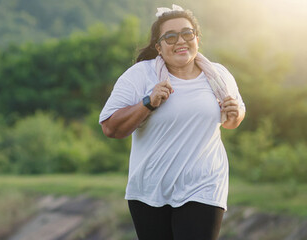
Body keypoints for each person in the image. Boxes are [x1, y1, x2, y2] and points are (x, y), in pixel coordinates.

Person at [98, 4, 245, 240]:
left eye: (187, 33)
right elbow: (110, 127)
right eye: (170, 36)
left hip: (204, 186)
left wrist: (235, 114)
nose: (181, 41)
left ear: (197, 39)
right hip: (149, 190)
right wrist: (148, 103)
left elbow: (232, 120)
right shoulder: (140, 75)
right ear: (158, 46)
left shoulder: (218, 76)